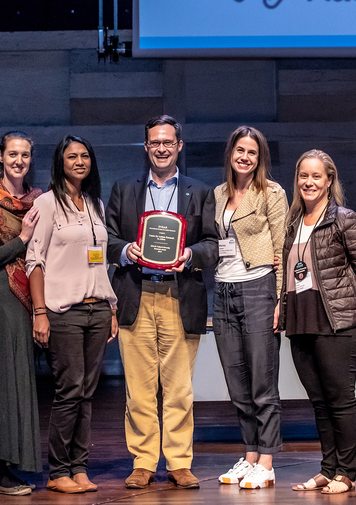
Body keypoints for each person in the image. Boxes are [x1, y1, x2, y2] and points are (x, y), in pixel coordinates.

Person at [105, 115, 218, 490]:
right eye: (155, 142)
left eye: (168, 142)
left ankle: (179, 461)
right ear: (146, 146)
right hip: (136, 293)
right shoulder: (123, 189)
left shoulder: (199, 191)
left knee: (179, 388)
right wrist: (125, 250)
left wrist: (190, 254)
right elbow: (105, 239)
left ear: (179, 146)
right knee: (138, 388)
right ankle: (142, 461)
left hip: (179, 294)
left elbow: (213, 244)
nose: (162, 148)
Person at [276, 149, 356, 495]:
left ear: (329, 180)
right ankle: (327, 467)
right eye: (304, 175)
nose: (309, 182)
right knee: (319, 401)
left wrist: (343, 305)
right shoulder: (292, 223)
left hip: (336, 321)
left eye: (317, 176)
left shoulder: (344, 219)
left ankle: (346, 473)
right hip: (301, 320)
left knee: (340, 398)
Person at [26, 135, 118, 494]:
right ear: (60, 162)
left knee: (87, 393)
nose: (79, 161)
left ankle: (79, 468)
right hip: (63, 311)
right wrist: (39, 313)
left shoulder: (95, 203)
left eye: (84, 156)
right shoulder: (47, 204)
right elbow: (35, 261)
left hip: (97, 309)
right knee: (69, 390)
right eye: (71, 156)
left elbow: (97, 261)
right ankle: (58, 471)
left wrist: (111, 307)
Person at [212, 126, 287, 489]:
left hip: (258, 289)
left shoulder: (272, 193)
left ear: (260, 158)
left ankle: (268, 461)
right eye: (239, 150)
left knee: (262, 383)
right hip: (223, 291)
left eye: (252, 153)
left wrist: (279, 300)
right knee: (237, 383)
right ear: (230, 153)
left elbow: (283, 249)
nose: (245, 157)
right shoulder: (218, 194)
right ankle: (251, 454)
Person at [0, 131, 42, 495]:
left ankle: (16, 463)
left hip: (29, 296)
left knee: (21, 383)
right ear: (0, 156)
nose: (18, 160)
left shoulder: (38, 199)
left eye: (25, 155)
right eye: (12, 154)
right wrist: (22, 240)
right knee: (0, 385)